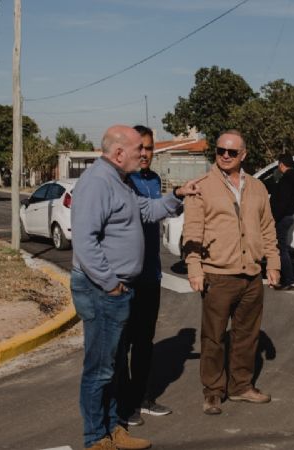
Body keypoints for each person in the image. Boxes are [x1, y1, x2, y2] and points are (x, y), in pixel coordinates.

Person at [71, 125, 199, 450]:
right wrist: (112, 284)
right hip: (102, 291)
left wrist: (176, 196)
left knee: (112, 368)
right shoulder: (97, 182)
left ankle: (115, 430)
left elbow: (146, 211)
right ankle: (95, 438)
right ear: (118, 153)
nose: (144, 154)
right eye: (138, 149)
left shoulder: (122, 182)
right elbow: (85, 243)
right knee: (100, 369)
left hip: (119, 289)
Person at [182, 129, 281, 415]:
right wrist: (194, 267)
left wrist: (272, 263)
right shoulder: (200, 185)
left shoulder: (258, 188)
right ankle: (213, 391)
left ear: (243, 155)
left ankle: (240, 387)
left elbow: (268, 228)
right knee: (213, 337)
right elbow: (193, 230)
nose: (225, 156)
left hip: (251, 274)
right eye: (220, 150)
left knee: (247, 336)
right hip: (217, 274)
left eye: (232, 152)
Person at [118, 125, 172, 427]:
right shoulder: (123, 181)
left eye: (149, 148)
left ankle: (143, 397)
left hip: (151, 273)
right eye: (140, 148)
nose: (145, 154)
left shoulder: (154, 180)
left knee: (144, 341)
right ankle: (125, 403)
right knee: (122, 343)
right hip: (127, 277)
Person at [270, 152, 294, 291]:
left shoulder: (286, 179)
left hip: (283, 218)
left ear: (281, 165)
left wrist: (273, 218)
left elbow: (281, 203)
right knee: (283, 247)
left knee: (281, 249)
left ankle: (289, 280)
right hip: (289, 216)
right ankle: (287, 278)